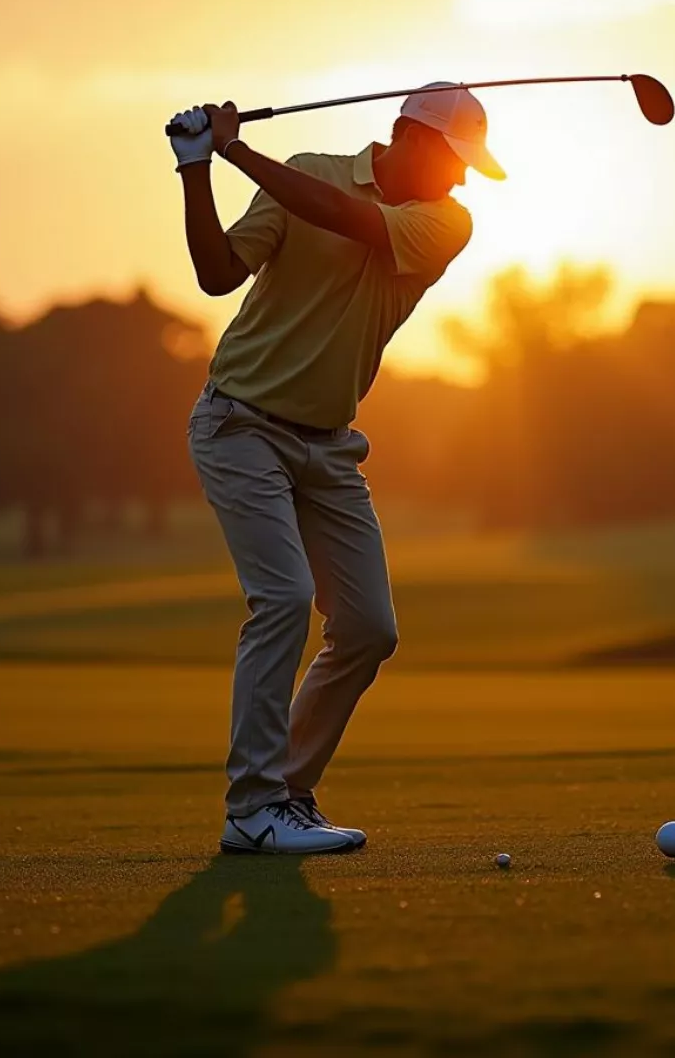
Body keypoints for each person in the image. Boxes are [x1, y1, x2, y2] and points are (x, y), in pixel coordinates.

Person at [169, 84, 505, 855]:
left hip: (328, 447)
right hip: (239, 424)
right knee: (284, 597)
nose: (459, 180)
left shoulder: (444, 223)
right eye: (453, 161)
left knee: (367, 629)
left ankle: (285, 792)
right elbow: (218, 273)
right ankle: (252, 810)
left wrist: (234, 149)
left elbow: (347, 218)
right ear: (406, 137)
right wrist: (197, 169)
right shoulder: (307, 172)